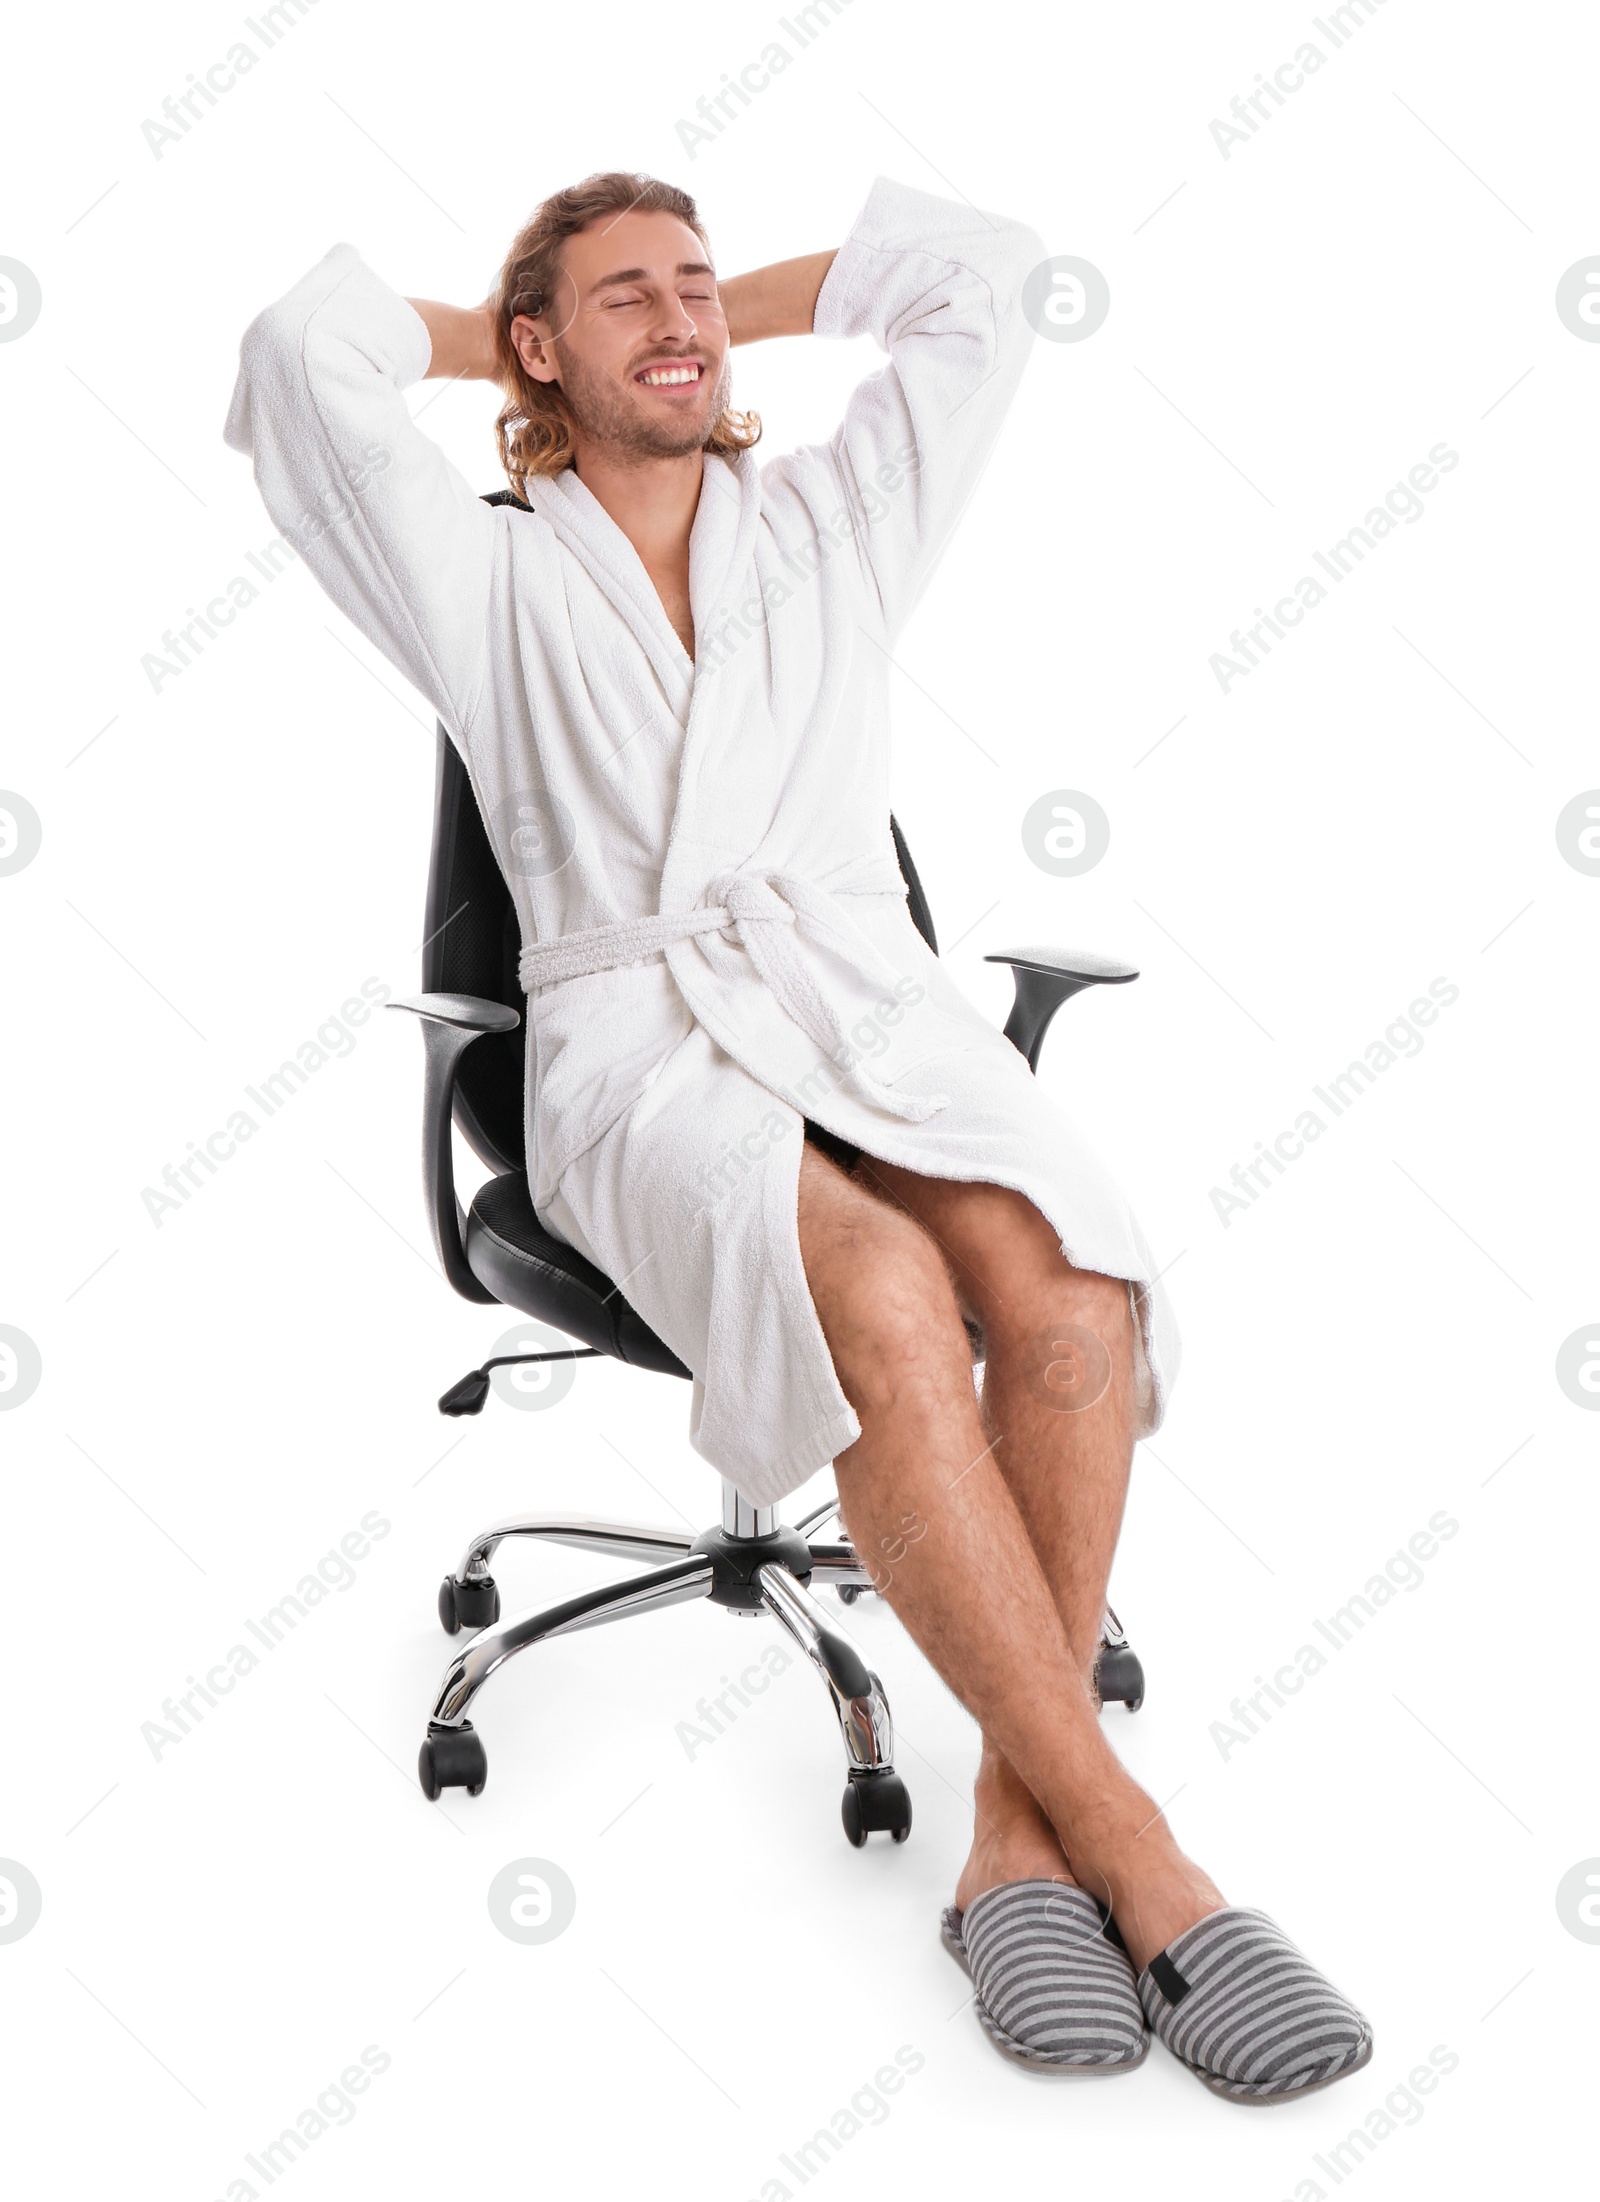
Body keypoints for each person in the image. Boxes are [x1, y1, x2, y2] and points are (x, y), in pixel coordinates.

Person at [224, 169, 1370, 2100]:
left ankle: (1015, 1836)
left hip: (865, 1001)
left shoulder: (836, 518)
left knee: (1074, 1281)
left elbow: (993, 276)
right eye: (622, 301)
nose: (678, 316)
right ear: (533, 352)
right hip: (632, 1053)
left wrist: (696, 318)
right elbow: (291, 353)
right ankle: (1148, 1860)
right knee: (895, 1295)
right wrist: (507, 326)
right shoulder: (481, 575)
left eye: (698, 284)